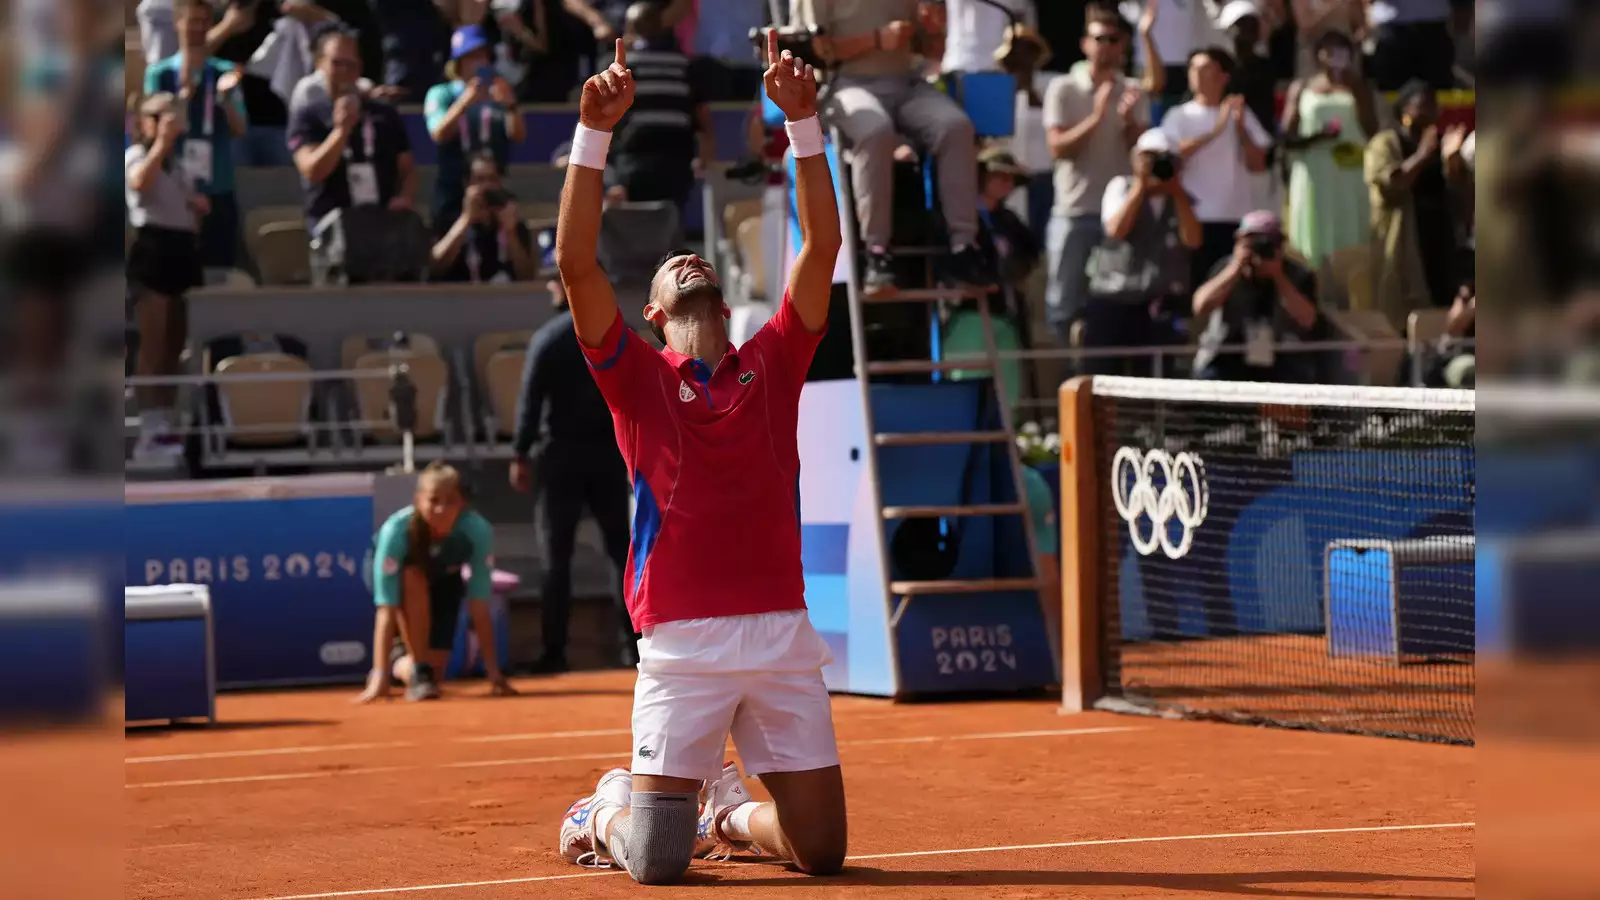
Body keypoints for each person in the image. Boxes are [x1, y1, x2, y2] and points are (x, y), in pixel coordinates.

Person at [554, 34, 847, 883]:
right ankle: (600, 812)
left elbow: (821, 247)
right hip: (681, 640)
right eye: (670, 267)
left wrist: (803, 121)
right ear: (652, 312)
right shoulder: (636, 379)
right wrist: (592, 136)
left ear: (720, 297)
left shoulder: (775, 359)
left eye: (698, 261)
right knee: (654, 862)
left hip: (781, 631)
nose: (688, 258)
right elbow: (576, 264)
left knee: (822, 853)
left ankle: (729, 810)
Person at [799, 0, 988, 295]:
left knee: (957, 128)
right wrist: (875, 39)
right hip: (845, 84)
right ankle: (877, 254)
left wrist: (933, 31)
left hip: (908, 83)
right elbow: (813, 51)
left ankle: (963, 247)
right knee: (875, 131)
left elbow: (929, 52)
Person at [511, 294, 636, 673]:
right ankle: (636, 650)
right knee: (621, 554)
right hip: (608, 455)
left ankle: (554, 653)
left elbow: (530, 398)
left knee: (556, 557)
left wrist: (520, 451)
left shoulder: (548, 338)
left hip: (560, 457)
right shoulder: (617, 336)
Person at [357, 462, 516, 703]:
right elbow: (386, 611)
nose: (441, 509)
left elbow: (479, 606)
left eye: (450, 501)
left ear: (461, 504)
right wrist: (378, 676)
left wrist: (494, 673)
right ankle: (409, 666)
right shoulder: (396, 532)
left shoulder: (477, 531)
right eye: (433, 500)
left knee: (434, 674)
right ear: (418, 500)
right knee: (413, 577)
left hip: (444, 577)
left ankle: (406, 663)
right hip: (397, 576)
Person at [1042, 5, 1147, 338]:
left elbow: (1142, 156)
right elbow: (1058, 148)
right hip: (1073, 211)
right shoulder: (1063, 88)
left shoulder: (1132, 91)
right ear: (1085, 43)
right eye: (1098, 38)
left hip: (1119, 217)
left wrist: (1130, 124)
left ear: (1123, 45)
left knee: (1117, 304)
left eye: (1113, 39)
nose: (1105, 46)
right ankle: (1067, 384)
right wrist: (1097, 117)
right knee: (1062, 304)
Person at [126, 92, 208, 461]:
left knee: (176, 342)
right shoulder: (138, 156)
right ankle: (148, 424)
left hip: (181, 248)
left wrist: (197, 208)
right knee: (153, 340)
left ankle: (167, 420)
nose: (172, 122)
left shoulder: (180, 165)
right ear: (146, 122)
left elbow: (189, 204)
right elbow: (140, 183)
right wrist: (161, 142)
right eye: (162, 116)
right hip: (153, 247)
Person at [142, 0, 249, 276]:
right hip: (175, 191)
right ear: (177, 22)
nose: (198, 28)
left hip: (218, 188)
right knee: (171, 278)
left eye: (204, 21)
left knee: (218, 271)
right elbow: (149, 130)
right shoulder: (160, 73)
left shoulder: (226, 72)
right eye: (192, 20)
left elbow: (240, 129)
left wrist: (225, 100)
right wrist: (181, 97)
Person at [1084, 127, 1201, 375]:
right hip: (1113, 298)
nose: (1158, 166)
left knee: (1152, 381)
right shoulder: (1120, 187)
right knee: (1103, 378)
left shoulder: (1183, 200)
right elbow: (1116, 230)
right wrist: (1140, 185)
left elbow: (1192, 240)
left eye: (1166, 160)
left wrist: (1176, 190)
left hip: (1157, 305)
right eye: (1151, 159)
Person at [1159, 46, 1272, 291]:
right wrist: (1215, 131)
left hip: (1235, 217)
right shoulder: (1178, 116)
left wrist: (1240, 129)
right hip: (1194, 218)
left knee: (1233, 289)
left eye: (1206, 68)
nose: (1197, 74)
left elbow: (1258, 163)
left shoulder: (1240, 112)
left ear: (1224, 76)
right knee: (1195, 286)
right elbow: (1171, 156)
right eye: (1193, 68)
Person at [1363, 79, 1469, 330]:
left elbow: (1460, 194)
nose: (1430, 112)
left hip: (1440, 244)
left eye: (1433, 106)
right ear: (1404, 110)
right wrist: (1421, 155)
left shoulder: (1441, 143)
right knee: (1401, 316)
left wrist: (1452, 160)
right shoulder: (1385, 144)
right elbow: (1391, 184)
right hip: (1403, 246)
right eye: (1422, 105)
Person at [287, 28, 418, 229]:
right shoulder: (308, 114)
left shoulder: (383, 114)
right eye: (337, 63)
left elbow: (407, 169)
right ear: (319, 63)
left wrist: (404, 198)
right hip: (333, 229)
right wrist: (341, 130)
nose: (344, 71)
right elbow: (312, 170)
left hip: (383, 224)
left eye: (351, 64)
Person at [1191, 210, 1333, 383]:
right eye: (1252, 243)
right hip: (1226, 357)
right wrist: (1236, 268)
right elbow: (1200, 306)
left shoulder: (1298, 274)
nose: (1259, 250)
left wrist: (1278, 276)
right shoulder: (1225, 268)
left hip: (1282, 362)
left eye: (1265, 243)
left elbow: (1309, 320)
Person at [1282, 30, 1377, 270]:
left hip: (1350, 172)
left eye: (1341, 50)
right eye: (1329, 50)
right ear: (1317, 55)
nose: (1335, 56)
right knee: (1316, 231)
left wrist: (1357, 91)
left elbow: (1372, 130)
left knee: (1351, 226)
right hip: (1315, 173)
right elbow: (1286, 137)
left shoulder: (1359, 86)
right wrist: (1317, 137)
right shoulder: (1302, 87)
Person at [424, 24, 526, 230]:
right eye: (471, 56)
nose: (479, 62)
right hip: (453, 188)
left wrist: (511, 105)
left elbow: (519, 135)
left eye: (483, 55)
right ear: (458, 62)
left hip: (494, 186)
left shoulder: (500, 92)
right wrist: (465, 101)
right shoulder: (441, 93)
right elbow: (439, 133)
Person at [431, 153, 539, 282]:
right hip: (459, 298)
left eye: (492, 179)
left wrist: (511, 235)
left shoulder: (515, 225)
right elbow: (434, 268)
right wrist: (466, 220)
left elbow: (528, 277)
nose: (486, 186)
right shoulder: (448, 221)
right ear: (467, 184)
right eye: (480, 180)